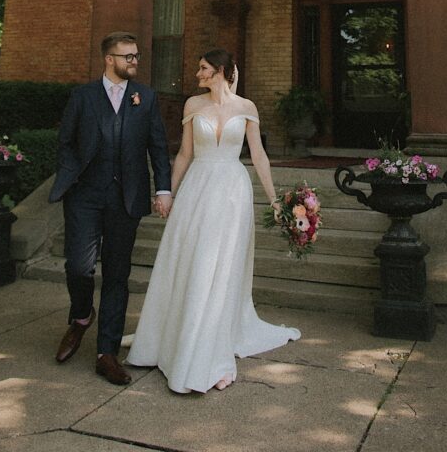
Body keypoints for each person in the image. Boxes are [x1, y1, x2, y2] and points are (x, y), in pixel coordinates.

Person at [127, 48, 300, 393]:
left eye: (203, 68)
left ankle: (211, 346)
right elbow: (185, 154)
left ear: (220, 70)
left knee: (222, 268)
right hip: (198, 190)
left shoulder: (247, 108)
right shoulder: (193, 106)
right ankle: (180, 339)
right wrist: (167, 192)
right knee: (194, 262)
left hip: (233, 193)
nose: (197, 74)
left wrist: (274, 199)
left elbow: (259, 155)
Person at [49, 31, 172, 385]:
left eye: (136, 56)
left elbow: (158, 147)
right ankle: (82, 313)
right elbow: (66, 142)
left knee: (117, 275)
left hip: (126, 197)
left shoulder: (145, 97)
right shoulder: (83, 96)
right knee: (79, 265)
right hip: (85, 195)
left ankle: (107, 353)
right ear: (109, 59)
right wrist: (71, 176)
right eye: (127, 56)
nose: (134, 61)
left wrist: (163, 188)